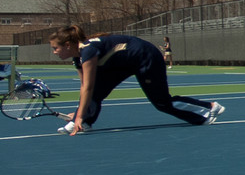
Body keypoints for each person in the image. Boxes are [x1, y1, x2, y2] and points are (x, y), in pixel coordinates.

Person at [48, 25, 224, 135]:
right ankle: (85, 122)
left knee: (161, 103)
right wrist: (79, 113)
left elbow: (88, 86)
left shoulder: (88, 50)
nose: (54, 52)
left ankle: (208, 109)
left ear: (68, 45)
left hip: (145, 57)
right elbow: (85, 86)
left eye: (56, 48)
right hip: (124, 63)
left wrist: (78, 115)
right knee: (95, 92)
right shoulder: (77, 57)